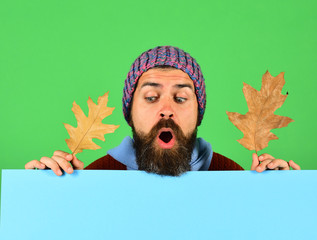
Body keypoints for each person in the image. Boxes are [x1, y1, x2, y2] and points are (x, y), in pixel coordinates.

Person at [25, 46, 300, 176]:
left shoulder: (230, 175)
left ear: (198, 113)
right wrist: (44, 196)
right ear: (129, 112)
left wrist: (272, 197)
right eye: (151, 97)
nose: (166, 110)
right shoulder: (96, 177)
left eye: (180, 98)